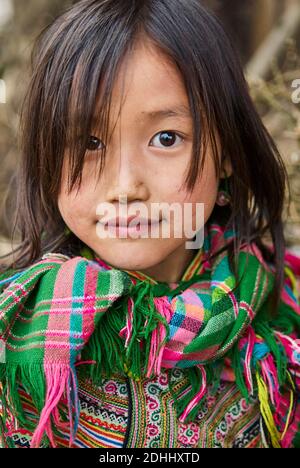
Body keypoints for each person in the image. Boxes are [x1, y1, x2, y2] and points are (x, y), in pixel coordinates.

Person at [0, 0, 299, 449]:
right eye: (89, 142)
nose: (125, 186)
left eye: (166, 138)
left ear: (228, 154)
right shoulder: (16, 331)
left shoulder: (284, 310)